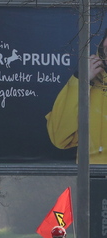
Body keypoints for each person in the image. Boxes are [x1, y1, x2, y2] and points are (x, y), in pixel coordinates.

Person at [46, 31, 107, 164]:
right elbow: (59, 138)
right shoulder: (83, 81)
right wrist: (82, 81)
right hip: (92, 177)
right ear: (102, 43)